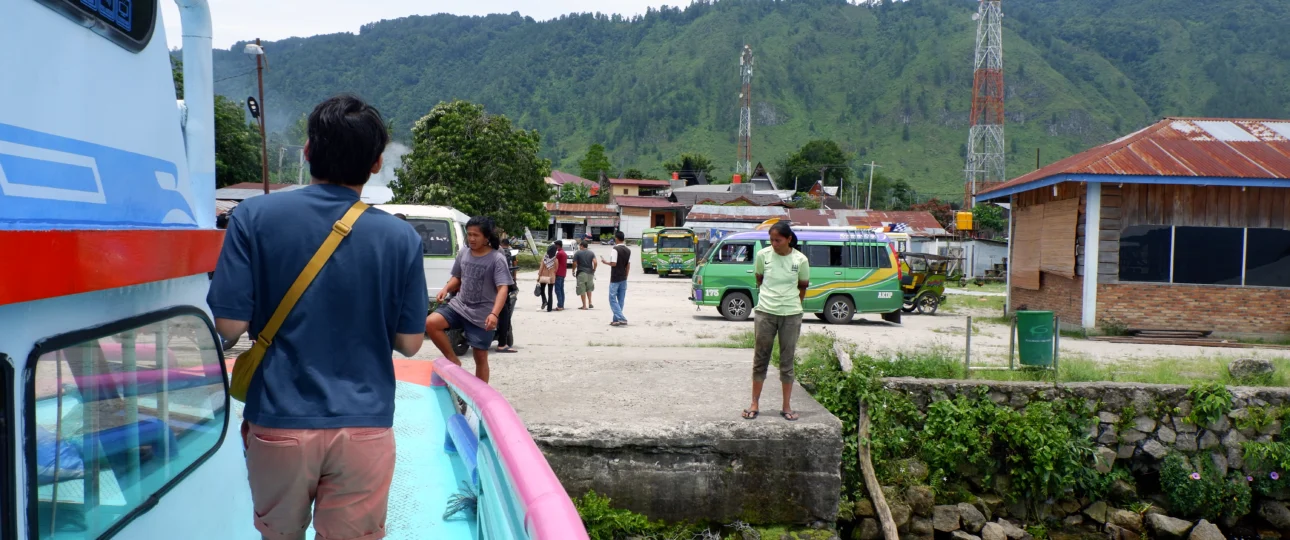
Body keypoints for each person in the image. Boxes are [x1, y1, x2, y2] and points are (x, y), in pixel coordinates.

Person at [207, 94, 426, 540]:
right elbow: (409, 342)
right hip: (365, 424)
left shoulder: (252, 217)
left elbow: (228, 327)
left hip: (279, 421)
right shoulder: (401, 237)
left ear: (307, 151)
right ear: (377, 163)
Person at [425, 216, 513, 383]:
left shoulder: (496, 258)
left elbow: (503, 288)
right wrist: (446, 288)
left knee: (480, 358)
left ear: (486, 237)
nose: (471, 239)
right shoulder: (464, 252)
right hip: (460, 306)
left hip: (482, 314)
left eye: (476, 235)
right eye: (469, 234)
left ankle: (479, 398)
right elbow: (457, 277)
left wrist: (494, 314)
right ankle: (453, 360)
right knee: (431, 323)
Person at [743, 222, 810, 422]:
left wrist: (791, 306)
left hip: (791, 315)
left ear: (789, 239)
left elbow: (803, 287)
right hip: (765, 312)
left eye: (778, 240)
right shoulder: (763, 256)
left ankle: (786, 406)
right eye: (771, 240)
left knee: (787, 362)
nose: (774, 244)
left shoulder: (801, 260)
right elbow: (759, 279)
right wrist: (771, 300)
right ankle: (754, 404)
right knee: (760, 359)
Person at [600, 230, 630, 326]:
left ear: (616, 239)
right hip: (623, 278)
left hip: (615, 277)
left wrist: (605, 262)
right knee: (621, 299)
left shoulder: (615, 249)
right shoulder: (628, 250)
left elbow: (614, 263)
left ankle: (621, 318)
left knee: (612, 298)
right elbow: (628, 265)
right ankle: (616, 319)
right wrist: (626, 276)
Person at [495, 238, 518, 353]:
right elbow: (508, 270)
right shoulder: (500, 252)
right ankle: (502, 344)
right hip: (497, 287)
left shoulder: (468, 250)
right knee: (504, 313)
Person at [573, 240, 597, 310]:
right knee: (589, 288)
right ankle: (590, 302)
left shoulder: (578, 253)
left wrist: (573, 270)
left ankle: (584, 306)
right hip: (590, 273)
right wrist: (594, 269)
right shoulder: (591, 253)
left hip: (581, 272)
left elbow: (574, 263)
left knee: (582, 289)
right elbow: (595, 262)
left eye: (580, 246)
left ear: (582, 246)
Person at [537, 243, 558, 311]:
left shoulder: (545, 258)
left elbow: (541, 268)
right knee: (550, 293)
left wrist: (539, 276)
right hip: (551, 277)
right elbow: (556, 269)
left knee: (542, 291)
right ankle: (549, 308)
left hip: (543, 276)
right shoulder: (555, 260)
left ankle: (544, 301)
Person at [553, 241, 568, 311]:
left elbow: (555, 263)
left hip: (558, 273)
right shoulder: (564, 253)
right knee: (561, 290)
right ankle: (562, 304)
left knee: (557, 290)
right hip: (563, 273)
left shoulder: (559, 253)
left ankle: (560, 305)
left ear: (557, 245)